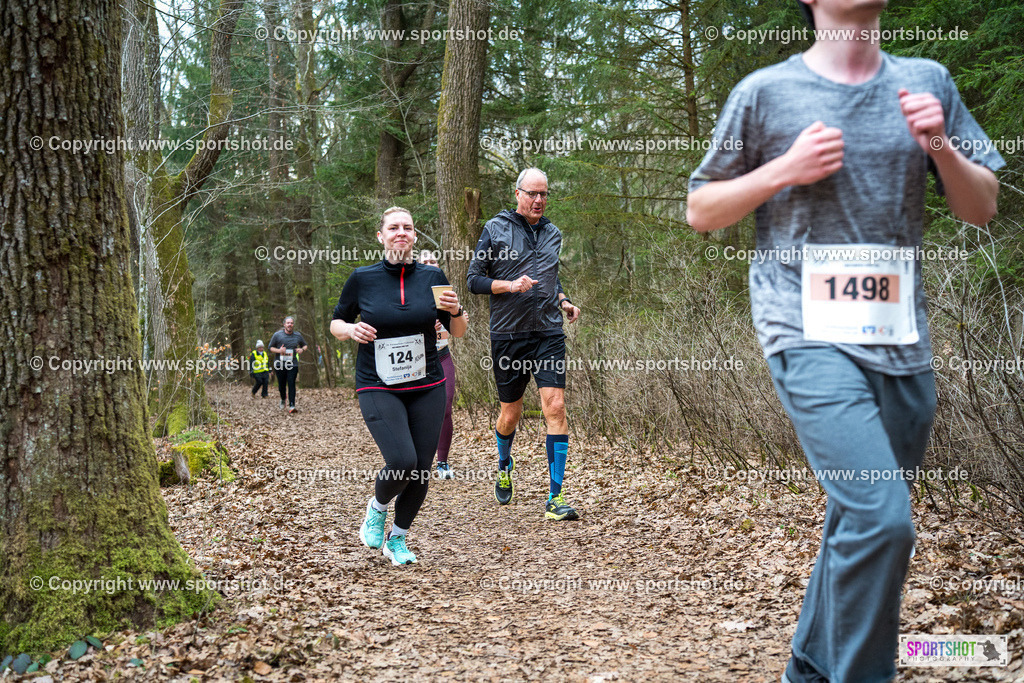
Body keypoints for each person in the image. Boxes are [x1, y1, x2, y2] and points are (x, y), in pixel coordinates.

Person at [686, 1, 1003, 680]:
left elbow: (982, 207)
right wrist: (782, 170)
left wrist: (940, 147)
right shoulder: (766, 93)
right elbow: (701, 208)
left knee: (856, 525)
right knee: (885, 521)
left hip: (900, 340)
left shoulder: (927, 80)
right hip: (803, 331)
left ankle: (808, 666)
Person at [331, 207, 467, 565]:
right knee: (402, 460)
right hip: (378, 384)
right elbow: (337, 322)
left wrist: (456, 312)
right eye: (393, 227)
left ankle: (398, 539)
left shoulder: (433, 276)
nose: (401, 232)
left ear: (415, 236)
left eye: (408, 227)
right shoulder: (362, 278)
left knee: (421, 467)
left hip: (427, 383)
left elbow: (458, 331)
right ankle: (376, 509)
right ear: (381, 236)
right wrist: (350, 330)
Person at [467, 168, 582, 521]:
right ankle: (504, 463)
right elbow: (474, 280)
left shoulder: (553, 233)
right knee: (510, 414)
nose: (538, 200)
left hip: (548, 332)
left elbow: (550, 275)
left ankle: (555, 497)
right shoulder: (495, 228)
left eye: (544, 194)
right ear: (517, 194)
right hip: (509, 335)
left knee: (556, 406)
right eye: (532, 194)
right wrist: (510, 285)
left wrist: (563, 300)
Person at [418, 250, 463, 480]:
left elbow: (460, 327)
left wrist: (453, 318)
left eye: (432, 260)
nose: (429, 264)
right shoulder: (412, 291)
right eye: (424, 261)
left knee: (445, 408)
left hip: (442, 355)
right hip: (417, 361)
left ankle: (442, 462)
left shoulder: (445, 292)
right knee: (418, 412)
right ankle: (418, 461)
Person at [269, 316, 308, 413]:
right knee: (281, 385)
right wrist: (279, 350)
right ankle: (283, 398)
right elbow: (270, 348)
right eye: (288, 323)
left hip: (292, 364)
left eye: (291, 323)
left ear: (293, 324)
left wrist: (301, 349)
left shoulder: (297, 335)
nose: (290, 325)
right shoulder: (277, 335)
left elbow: (305, 345)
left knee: (291, 383)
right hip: (280, 364)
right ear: (284, 324)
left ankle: (292, 405)